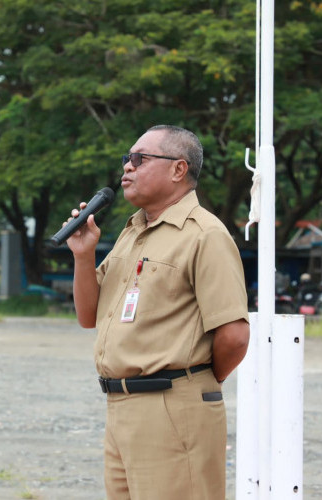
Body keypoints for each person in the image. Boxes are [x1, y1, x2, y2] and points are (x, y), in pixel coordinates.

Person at [67, 125, 250, 499]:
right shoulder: (132, 231)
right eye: (126, 160)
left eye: (140, 159)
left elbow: (234, 336)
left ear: (178, 170)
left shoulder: (205, 235)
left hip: (172, 403)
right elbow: (89, 316)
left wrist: (191, 379)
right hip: (121, 405)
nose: (127, 169)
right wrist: (84, 255)